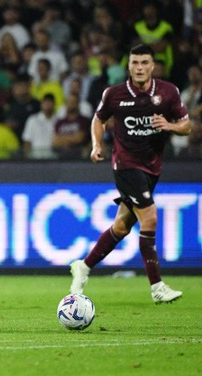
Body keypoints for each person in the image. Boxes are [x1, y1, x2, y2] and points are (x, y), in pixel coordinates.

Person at [69, 44, 191, 304]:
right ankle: (157, 286)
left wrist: (169, 125)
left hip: (152, 168)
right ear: (128, 66)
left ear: (152, 66)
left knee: (122, 226)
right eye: (134, 62)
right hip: (125, 164)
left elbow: (187, 125)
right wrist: (96, 145)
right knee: (150, 217)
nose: (139, 67)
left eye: (144, 62)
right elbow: (98, 120)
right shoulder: (114, 94)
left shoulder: (169, 92)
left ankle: (84, 266)